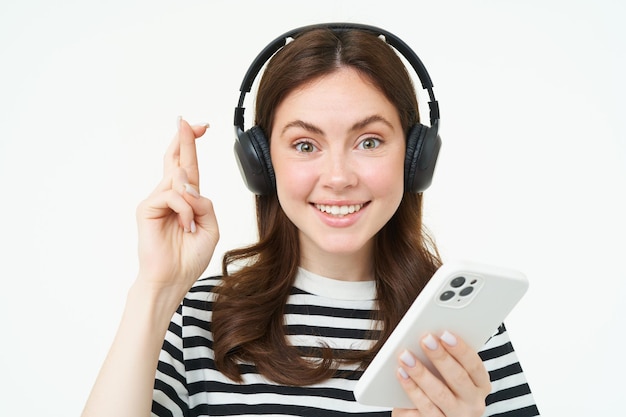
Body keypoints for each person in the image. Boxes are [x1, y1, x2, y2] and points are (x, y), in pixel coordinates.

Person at [81, 23, 540, 417]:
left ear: (415, 157)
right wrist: (156, 290)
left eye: (369, 141)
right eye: (305, 145)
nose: (338, 177)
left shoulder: (459, 329)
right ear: (261, 164)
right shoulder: (202, 319)